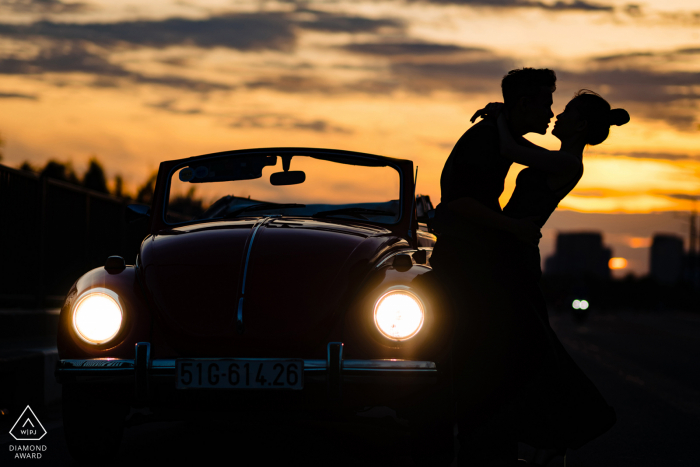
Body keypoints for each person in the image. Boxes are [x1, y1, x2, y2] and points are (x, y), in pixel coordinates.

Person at [468, 90, 629, 464]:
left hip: (515, 259)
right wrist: (503, 120)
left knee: (531, 354)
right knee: (526, 352)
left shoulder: (570, 164)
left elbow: (511, 149)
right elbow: (517, 147)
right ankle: (546, 440)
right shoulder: (557, 159)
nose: (556, 115)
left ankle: (559, 436)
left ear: (582, 125)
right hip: (507, 253)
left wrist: (501, 119)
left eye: (566, 112)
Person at [430, 68, 559, 466]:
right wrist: (512, 228)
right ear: (523, 104)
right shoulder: (487, 138)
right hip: (462, 263)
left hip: (479, 260)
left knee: (484, 359)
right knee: (471, 360)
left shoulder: (500, 136)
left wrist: (500, 114)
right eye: (546, 103)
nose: (552, 113)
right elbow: (458, 203)